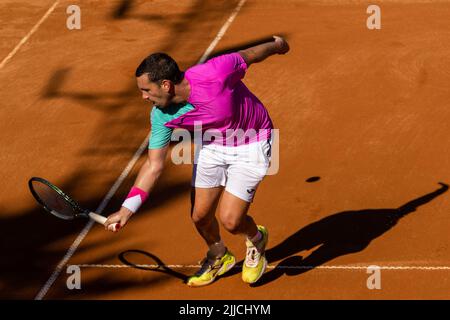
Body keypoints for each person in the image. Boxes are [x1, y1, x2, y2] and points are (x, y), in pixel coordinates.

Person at [105, 36, 290, 286]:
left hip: (251, 141)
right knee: (200, 216)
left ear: (166, 85)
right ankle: (219, 255)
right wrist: (128, 209)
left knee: (231, 220)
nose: (143, 97)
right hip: (213, 145)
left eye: (146, 90)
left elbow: (250, 54)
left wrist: (277, 46)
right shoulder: (161, 116)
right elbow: (154, 164)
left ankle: (256, 239)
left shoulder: (214, 72)